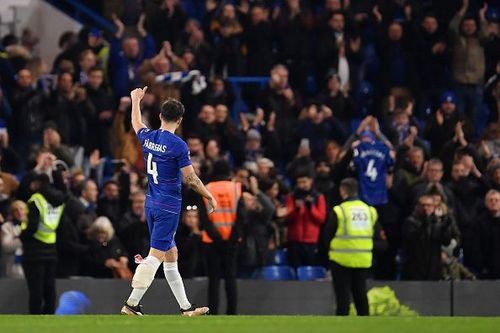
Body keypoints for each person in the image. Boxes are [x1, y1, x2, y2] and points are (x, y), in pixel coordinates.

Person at [121, 87, 217, 316]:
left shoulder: (149, 137)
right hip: (168, 206)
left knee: (170, 254)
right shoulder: (178, 145)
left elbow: (136, 122)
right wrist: (209, 196)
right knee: (155, 255)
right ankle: (131, 304)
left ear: (160, 116)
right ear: (180, 119)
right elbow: (191, 179)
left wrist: (136, 100)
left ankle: (185, 308)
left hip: (151, 203)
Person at [322, 178, 383, 316]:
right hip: (363, 258)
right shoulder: (370, 211)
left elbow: (327, 235)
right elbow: (377, 234)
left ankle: (342, 327)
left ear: (343, 191)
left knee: (342, 296)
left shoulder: (340, 211)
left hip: (341, 258)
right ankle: (365, 326)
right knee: (360, 294)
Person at [200, 159, 244, 315]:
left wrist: (216, 237)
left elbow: (203, 219)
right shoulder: (236, 189)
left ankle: (213, 312)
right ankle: (232, 312)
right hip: (231, 241)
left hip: (211, 241)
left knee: (214, 280)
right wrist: (231, 238)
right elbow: (241, 217)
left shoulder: (206, 188)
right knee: (230, 278)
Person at [21, 173, 66, 314]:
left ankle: (35, 317)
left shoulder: (36, 200)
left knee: (36, 289)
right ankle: (49, 315)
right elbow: (62, 225)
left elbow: (32, 226)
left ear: (38, 184)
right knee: (49, 287)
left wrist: (21, 234)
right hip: (51, 248)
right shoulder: (58, 201)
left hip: (34, 249)